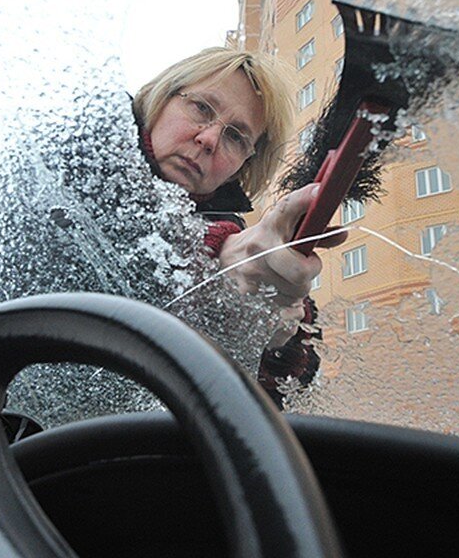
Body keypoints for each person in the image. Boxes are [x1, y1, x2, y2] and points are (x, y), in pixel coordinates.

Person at [132, 47, 345, 405]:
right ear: (160, 97)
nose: (209, 139)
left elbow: (285, 396)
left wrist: (277, 332)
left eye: (235, 137)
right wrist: (216, 261)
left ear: (245, 165)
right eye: (201, 108)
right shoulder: (84, 145)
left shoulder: (254, 249)